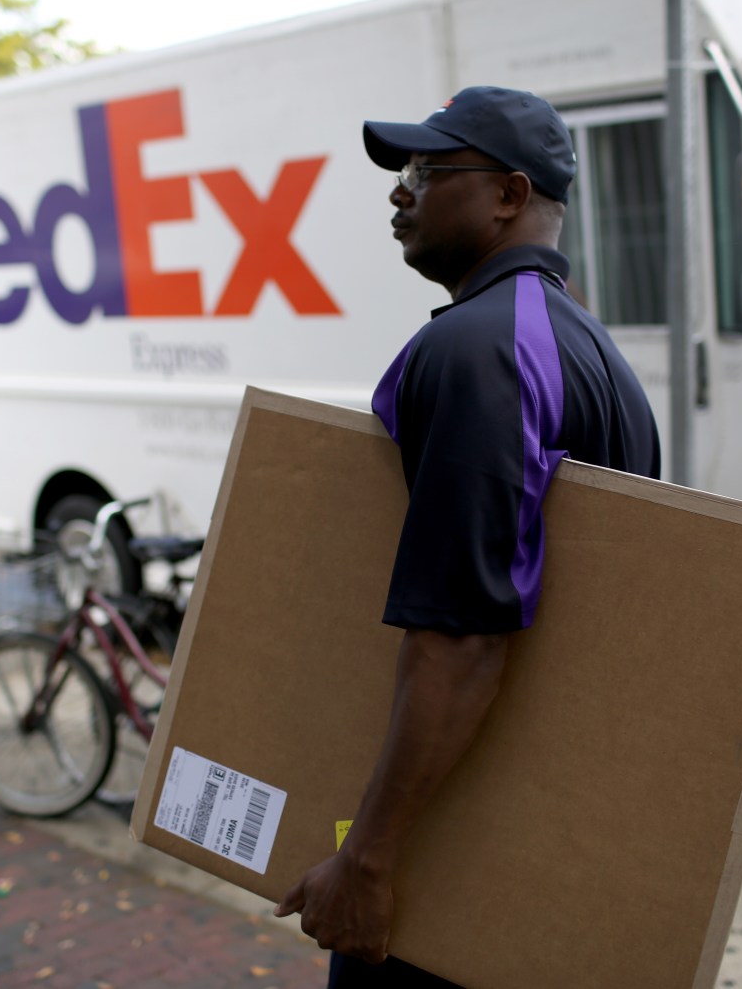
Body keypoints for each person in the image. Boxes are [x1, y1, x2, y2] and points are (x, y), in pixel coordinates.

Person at [273, 85, 661, 988]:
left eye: (425, 171)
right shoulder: (592, 348)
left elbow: (463, 631)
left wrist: (367, 862)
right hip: (532, 828)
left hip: (442, 856)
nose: (399, 191)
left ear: (508, 195)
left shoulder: (479, 349)